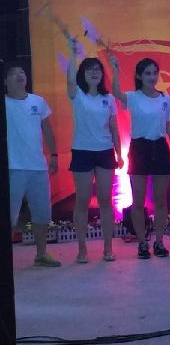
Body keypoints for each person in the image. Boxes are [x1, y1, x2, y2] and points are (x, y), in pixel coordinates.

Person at [109, 56, 170, 259]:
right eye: (148, 73)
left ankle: (159, 242)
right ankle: (142, 243)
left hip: (160, 148)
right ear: (139, 76)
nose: (152, 77)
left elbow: (169, 126)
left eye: (155, 73)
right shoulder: (133, 97)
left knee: (160, 200)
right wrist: (115, 70)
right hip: (139, 148)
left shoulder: (165, 98)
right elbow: (116, 92)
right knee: (138, 200)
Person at [67, 40, 123, 263]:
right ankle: (82, 249)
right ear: (83, 74)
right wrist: (73, 54)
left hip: (105, 152)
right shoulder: (77, 95)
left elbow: (114, 127)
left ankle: (108, 248)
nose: (94, 73)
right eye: (90, 70)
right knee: (82, 201)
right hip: (82, 152)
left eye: (98, 69)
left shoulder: (108, 99)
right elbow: (70, 80)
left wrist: (119, 153)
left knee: (105, 201)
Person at [5, 61, 61, 267]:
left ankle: (41, 254)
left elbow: (47, 129)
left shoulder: (38, 101)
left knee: (42, 213)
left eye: (22, 72)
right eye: (13, 73)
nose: (19, 75)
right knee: (9, 215)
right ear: (5, 81)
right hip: (13, 167)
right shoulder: (4, 103)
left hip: (38, 167)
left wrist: (54, 155)